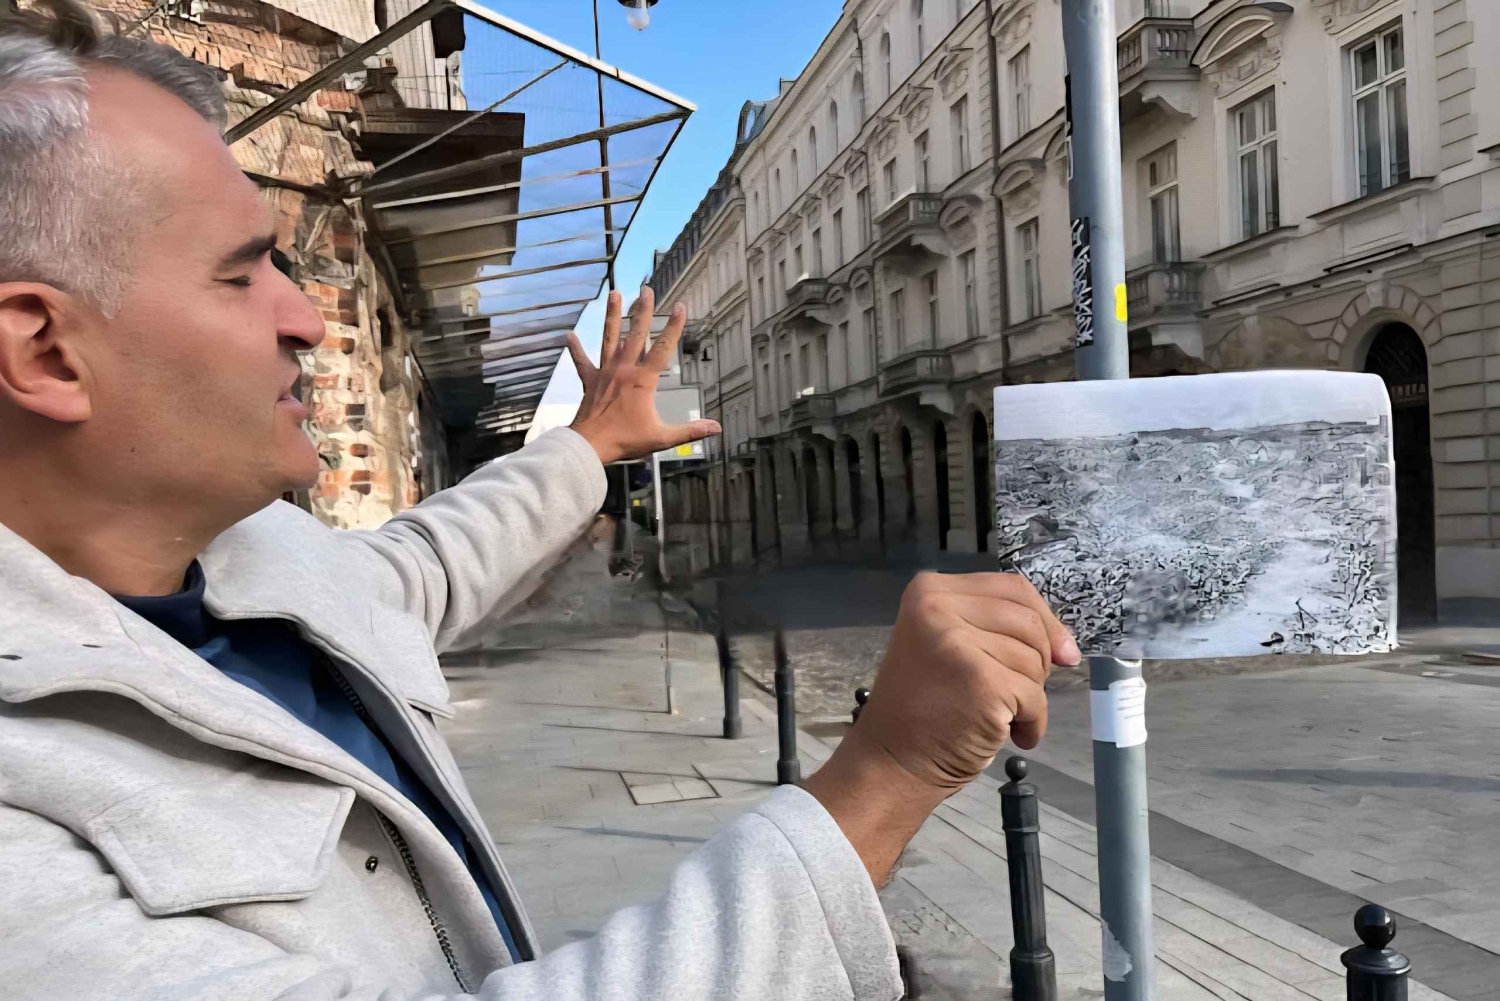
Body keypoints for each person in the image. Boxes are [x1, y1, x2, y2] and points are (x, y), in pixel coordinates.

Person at [0, 2, 1080, 998]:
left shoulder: (247, 563)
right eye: (241, 274)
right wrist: (885, 775)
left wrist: (588, 445)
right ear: (45, 349)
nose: (308, 320)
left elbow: (433, 556)